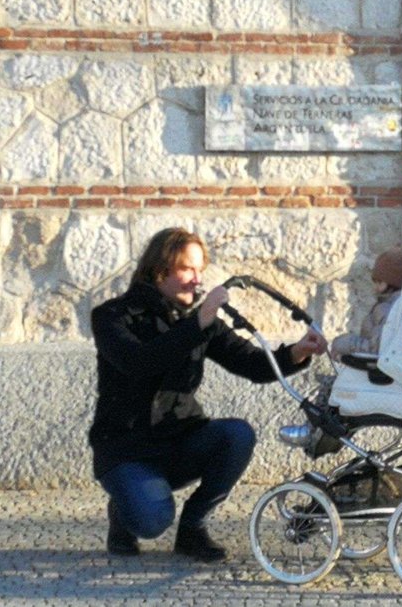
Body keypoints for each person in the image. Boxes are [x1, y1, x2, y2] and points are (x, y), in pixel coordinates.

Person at [88, 227, 327, 561]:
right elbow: (139, 362)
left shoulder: (200, 322)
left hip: (179, 440)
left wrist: (297, 352)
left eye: (200, 270)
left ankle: (193, 528)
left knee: (237, 435)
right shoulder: (111, 316)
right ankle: (123, 512)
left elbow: (252, 364)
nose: (197, 280)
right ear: (159, 271)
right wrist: (198, 322)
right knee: (152, 521)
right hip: (126, 449)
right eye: (187, 269)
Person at [329, 246, 402, 359]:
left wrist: (343, 344)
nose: (375, 288)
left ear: (394, 282)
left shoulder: (390, 309)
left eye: (379, 282)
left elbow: (376, 350)